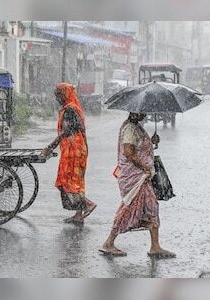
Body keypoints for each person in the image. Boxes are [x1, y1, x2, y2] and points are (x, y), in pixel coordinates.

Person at [99, 112, 176, 258]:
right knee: (129, 208)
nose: (144, 114)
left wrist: (151, 142)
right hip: (135, 177)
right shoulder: (130, 129)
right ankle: (108, 243)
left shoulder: (136, 127)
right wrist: (144, 167)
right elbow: (129, 152)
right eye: (141, 112)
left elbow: (138, 147)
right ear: (133, 112)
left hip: (142, 177)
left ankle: (155, 246)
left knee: (151, 206)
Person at [40, 83, 97, 225]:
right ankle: (78, 214)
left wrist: (49, 147)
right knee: (75, 181)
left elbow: (65, 132)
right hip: (77, 149)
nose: (57, 99)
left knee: (67, 180)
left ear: (65, 94)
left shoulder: (70, 110)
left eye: (59, 95)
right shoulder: (72, 108)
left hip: (73, 150)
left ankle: (87, 204)